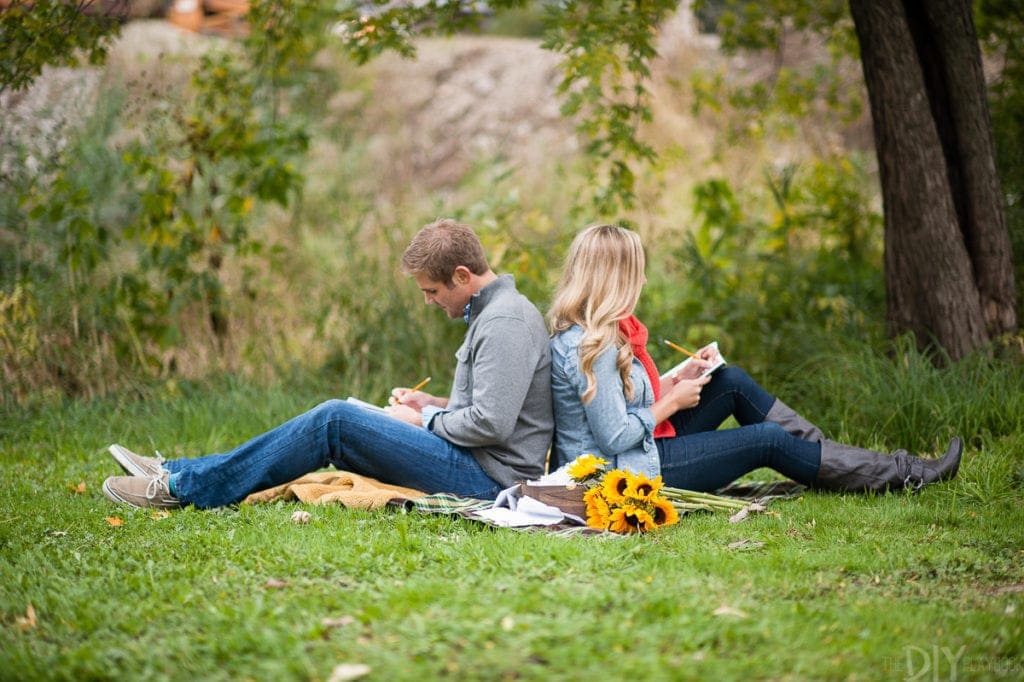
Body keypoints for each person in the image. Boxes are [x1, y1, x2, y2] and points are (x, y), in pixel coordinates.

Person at [102, 219, 554, 509]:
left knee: (334, 420)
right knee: (336, 420)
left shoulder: (506, 322)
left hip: (487, 479)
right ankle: (180, 471)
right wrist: (431, 402)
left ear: (462, 276)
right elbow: (488, 406)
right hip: (471, 459)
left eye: (432, 291)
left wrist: (423, 418)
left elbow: (492, 425)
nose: (429, 301)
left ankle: (183, 491)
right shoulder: (496, 315)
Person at [547, 223, 962, 493]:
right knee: (766, 440)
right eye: (638, 271)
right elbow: (614, 437)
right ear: (616, 277)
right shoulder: (594, 346)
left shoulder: (590, 332)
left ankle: (827, 460)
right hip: (624, 476)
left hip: (638, 453)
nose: (644, 279)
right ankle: (901, 474)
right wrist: (671, 403)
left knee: (728, 382)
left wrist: (677, 381)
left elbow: (621, 405)